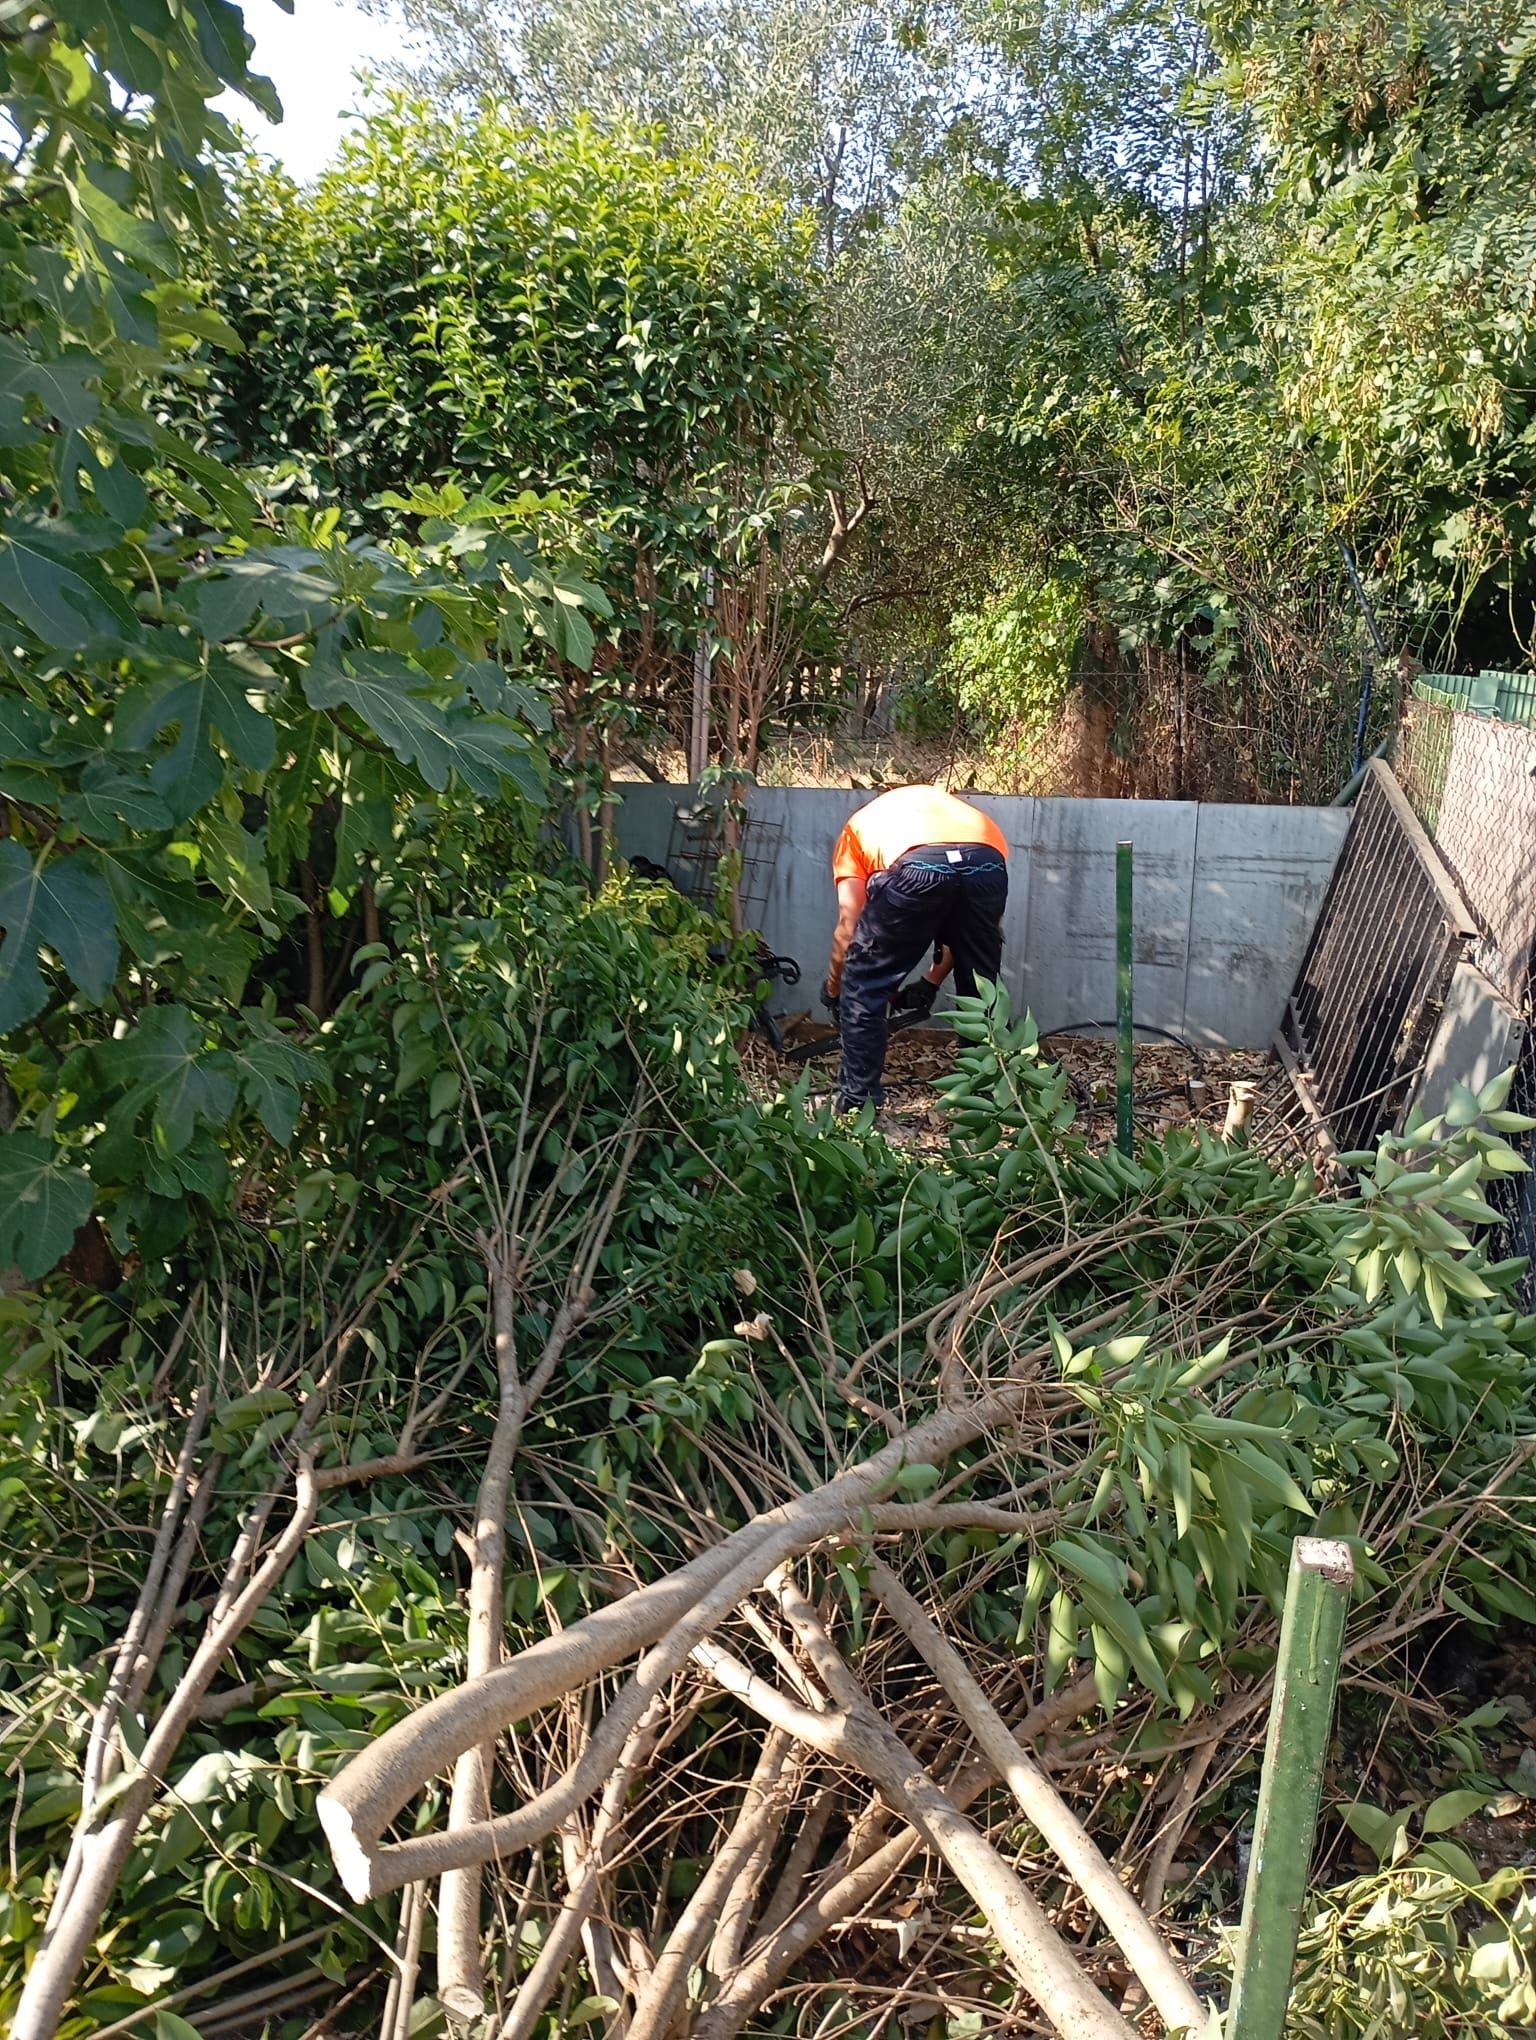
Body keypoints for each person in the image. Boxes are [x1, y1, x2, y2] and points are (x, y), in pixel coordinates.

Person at [822, 784, 1010, 1113]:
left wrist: (836, 989)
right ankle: (988, 1100)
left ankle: (856, 1105)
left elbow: (849, 928)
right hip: (988, 858)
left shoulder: (857, 829)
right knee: (981, 982)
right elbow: (964, 935)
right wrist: (930, 982)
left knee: (864, 984)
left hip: (916, 865)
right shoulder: (957, 814)